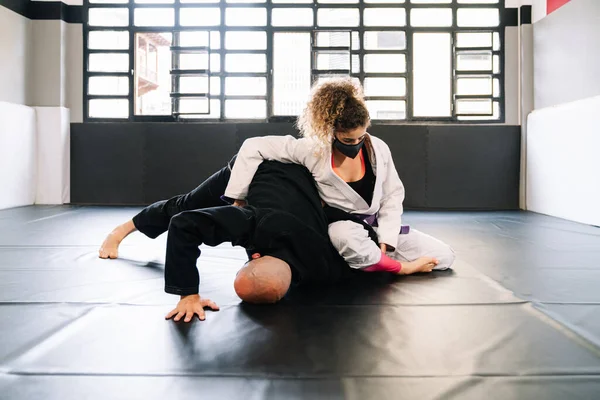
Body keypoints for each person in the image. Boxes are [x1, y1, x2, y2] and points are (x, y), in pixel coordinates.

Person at [100, 158, 438, 322]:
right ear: (256, 259)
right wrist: (187, 294)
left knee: (190, 209)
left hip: (298, 186)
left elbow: (365, 260)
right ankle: (124, 229)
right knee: (188, 203)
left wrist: (404, 267)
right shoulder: (258, 226)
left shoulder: (322, 264)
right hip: (252, 169)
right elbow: (183, 222)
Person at [224, 78, 455, 275]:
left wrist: (387, 238)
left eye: (360, 137)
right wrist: (238, 197)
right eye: (347, 140)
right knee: (345, 237)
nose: (355, 144)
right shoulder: (312, 150)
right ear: (332, 131)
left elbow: (392, 195)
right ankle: (399, 268)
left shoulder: (379, 148)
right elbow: (253, 146)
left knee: (444, 257)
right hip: (343, 226)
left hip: (376, 226)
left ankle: (376, 261)